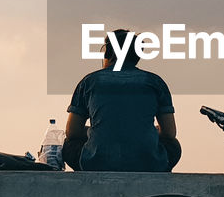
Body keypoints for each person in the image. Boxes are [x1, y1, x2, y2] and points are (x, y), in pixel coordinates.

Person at [63, 28, 181, 172]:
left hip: (96, 164)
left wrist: (94, 131)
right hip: (149, 164)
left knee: (69, 145)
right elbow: (169, 133)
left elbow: (72, 132)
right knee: (173, 145)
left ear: (108, 53)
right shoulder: (155, 82)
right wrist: (147, 131)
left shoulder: (89, 82)